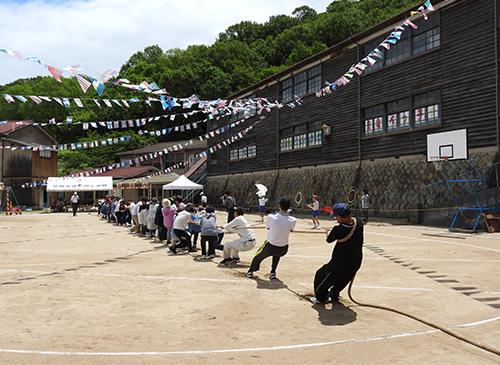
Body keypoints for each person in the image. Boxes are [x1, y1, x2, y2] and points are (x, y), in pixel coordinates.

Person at [311, 203, 364, 304]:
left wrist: (328, 232)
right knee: (343, 280)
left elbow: (329, 239)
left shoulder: (338, 230)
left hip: (340, 264)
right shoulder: (359, 222)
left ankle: (321, 298)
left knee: (320, 275)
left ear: (339, 217)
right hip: (356, 262)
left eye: (336, 217)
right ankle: (334, 294)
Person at [246, 197, 296, 280]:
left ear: (279, 206)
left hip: (270, 246)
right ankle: (273, 272)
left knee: (257, 256)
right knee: (277, 254)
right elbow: (292, 229)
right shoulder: (293, 220)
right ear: (289, 207)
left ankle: (250, 271)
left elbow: (268, 228)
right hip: (283, 248)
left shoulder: (271, 217)